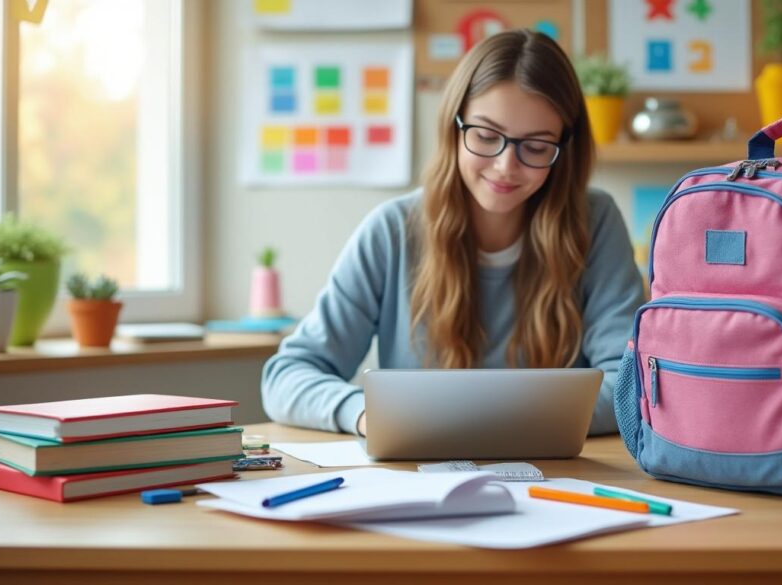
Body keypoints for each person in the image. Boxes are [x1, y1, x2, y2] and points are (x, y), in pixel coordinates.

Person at [261, 29, 644, 437]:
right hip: (420, 484)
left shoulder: (595, 220)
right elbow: (288, 376)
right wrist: (366, 414)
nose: (505, 166)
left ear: (565, 148)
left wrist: (479, 424)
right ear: (453, 126)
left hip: (561, 482)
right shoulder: (392, 230)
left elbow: (627, 388)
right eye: (485, 136)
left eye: (535, 146)